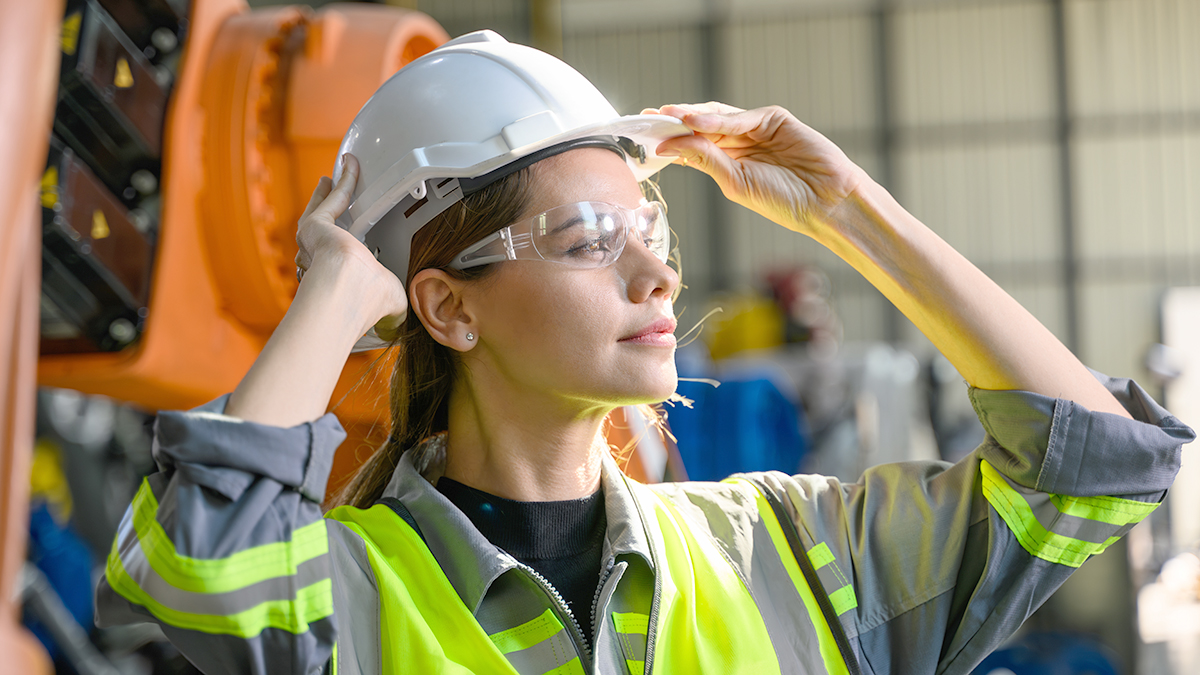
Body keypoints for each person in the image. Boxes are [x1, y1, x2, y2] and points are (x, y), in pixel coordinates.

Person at [95, 31, 1193, 675]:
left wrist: (852, 213)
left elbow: (1090, 466)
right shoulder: (345, 594)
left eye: (651, 234)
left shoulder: (788, 556)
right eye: (587, 242)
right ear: (447, 307)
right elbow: (193, 572)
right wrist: (332, 290)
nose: (658, 277)